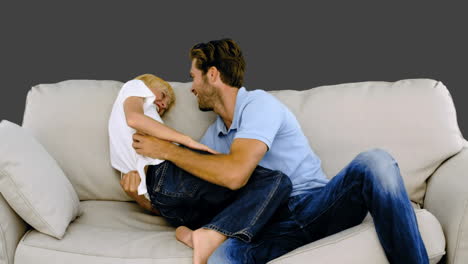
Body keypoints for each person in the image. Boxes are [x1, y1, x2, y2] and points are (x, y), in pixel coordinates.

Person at [130, 38, 430, 264]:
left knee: (375, 162)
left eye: (193, 77)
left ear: (212, 75)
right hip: (265, 225)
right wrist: (140, 197)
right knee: (222, 258)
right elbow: (192, 199)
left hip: (315, 206)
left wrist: (166, 150)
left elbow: (235, 175)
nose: (191, 87)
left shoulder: (259, 105)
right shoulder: (212, 137)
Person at [108, 74, 292, 264]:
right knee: (276, 181)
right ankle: (211, 236)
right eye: (162, 95)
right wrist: (187, 141)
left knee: (255, 204)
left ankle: (197, 232)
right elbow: (134, 118)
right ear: (148, 84)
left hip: (169, 204)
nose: (162, 104)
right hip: (168, 176)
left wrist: (142, 199)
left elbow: (152, 191)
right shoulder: (135, 86)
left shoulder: (124, 147)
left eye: (166, 105)